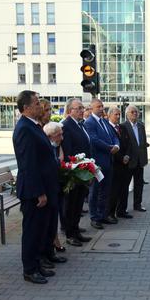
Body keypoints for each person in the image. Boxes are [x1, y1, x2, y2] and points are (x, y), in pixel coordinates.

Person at [12, 90, 59, 284]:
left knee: (40, 230)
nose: (40, 106)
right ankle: (29, 269)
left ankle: (37, 264)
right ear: (27, 107)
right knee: (32, 231)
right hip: (34, 191)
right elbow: (28, 164)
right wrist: (39, 192)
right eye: (37, 103)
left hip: (44, 187)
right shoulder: (24, 128)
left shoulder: (34, 126)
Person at [61, 98, 92, 246]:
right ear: (69, 111)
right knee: (71, 204)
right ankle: (70, 234)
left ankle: (76, 230)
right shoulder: (66, 126)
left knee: (78, 203)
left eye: (82, 108)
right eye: (78, 108)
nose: (81, 110)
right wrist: (75, 167)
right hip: (74, 172)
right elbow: (67, 151)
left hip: (83, 170)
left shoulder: (81, 125)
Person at [85, 98, 120, 229]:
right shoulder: (89, 122)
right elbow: (94, 140)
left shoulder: (105, 121)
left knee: (106, 190)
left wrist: (117, 145)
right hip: (98, 162)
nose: (101, 108)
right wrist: (109, 147)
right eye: (98, 106)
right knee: (95, 191)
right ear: (92, 108)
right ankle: (94, 218)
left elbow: (114, 135)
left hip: (108, 162)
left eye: (102, 106)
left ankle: (103, 215)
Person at [43, 121, 68, 254]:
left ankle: (53, 244)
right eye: (59, 135)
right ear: (50, 136)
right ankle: (49, 247)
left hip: (55, 187)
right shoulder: (47, 147)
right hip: (47, 189)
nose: (61, 138)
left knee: (54, 218)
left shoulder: (55, 145)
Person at [106, 107, 132, 219]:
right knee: (113, 190)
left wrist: (127, 156)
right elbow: (111, 147)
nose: (118, 116)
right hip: (115, 164)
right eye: (115, 114)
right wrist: (121, 158)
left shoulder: (122, 127)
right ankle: (111, 213)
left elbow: (129, 143)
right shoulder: (107, 128)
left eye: (119, 114)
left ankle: (122, 210)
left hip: (125, 164)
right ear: (109, 115)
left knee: (124, 188)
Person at [121, 105, 149, 212]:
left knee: (139, 184)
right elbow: (124, 144)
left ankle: (137, 204)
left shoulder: (141, 126)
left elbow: (142, 142)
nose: (135, 114)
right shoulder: (123, 126)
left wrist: (144, 158)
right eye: (132, 112)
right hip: (129, 161)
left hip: (139, 160)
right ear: (127, 114)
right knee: (125, 185)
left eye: (136, 112)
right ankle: (122, 208)